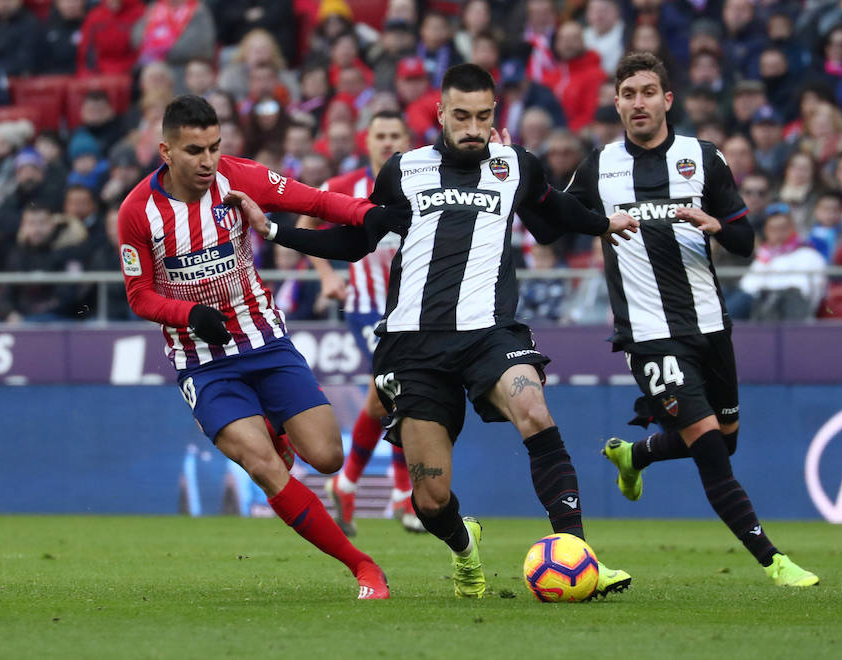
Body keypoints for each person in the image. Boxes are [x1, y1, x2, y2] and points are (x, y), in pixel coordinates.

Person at [240, 63, 639, 599]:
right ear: (441, 114)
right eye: (462, 116)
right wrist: (275, 230)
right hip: (414, 345)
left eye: (483, 116)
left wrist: (601, 222)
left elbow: (552, 212)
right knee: (429, 499)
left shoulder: (515, 165)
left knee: (535, 410)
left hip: (491, 334)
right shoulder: (403, 171)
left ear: (495, 114)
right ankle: (464, 548)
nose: (473, 127)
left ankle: (579, 555)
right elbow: (357, 242)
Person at [117, 95, 407, 600]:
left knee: (327, 457)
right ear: (166, 150)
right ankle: (363, 566)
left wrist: (371, 214)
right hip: (202, 360)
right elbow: (139, 294)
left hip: (265, 340)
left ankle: (278, 428)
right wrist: (189, 316)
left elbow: (315, 202)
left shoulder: (241, 177)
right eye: (194, 151)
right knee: (264, 467)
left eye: (214, 147)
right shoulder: (137, 212)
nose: (207, 161)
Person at [563, 52, 818, 587]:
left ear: (667, 99)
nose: (639, 102)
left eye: (648, 92)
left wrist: (715, 225)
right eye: (629, 93)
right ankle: (775, 562)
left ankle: (635, 454)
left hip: (709, 326)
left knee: (724, 439)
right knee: (709, 452)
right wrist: (587, 216)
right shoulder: (599, 166)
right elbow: (551, 224)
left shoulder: (703, 158)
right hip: (649, 336)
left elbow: (746, 244)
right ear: (616, 103)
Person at [297, 110, 425, 536]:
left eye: (395, 134)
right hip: (369, 309)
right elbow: (306, 219)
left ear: (407, 139)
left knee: (387, 398)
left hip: (413, 311)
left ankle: (348, 484)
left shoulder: (423, 181)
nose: (388, 141)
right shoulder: (347, 186)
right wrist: (327, 274)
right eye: (380, 135)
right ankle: (403, 496)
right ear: (366, 141)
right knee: (400, 391)